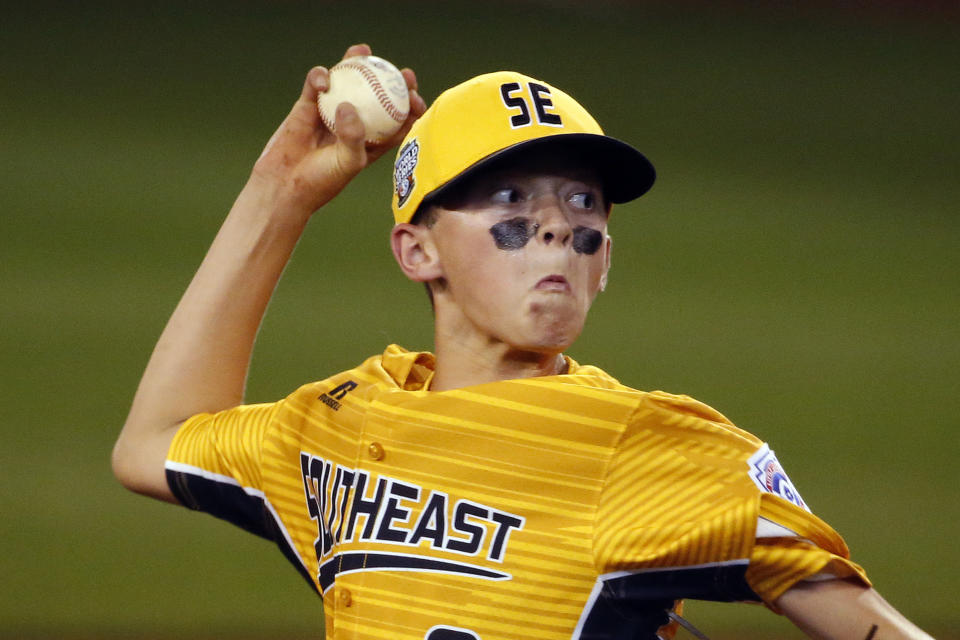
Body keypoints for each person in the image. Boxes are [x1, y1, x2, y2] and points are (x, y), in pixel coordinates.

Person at [112, 43, 933, 640]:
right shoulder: (336, 427)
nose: (559, 223)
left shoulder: (655, 447)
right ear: (417, 250)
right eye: (510, 194)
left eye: (584, 202)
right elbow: (150, 444)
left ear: (604, 260)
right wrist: (278, 198)